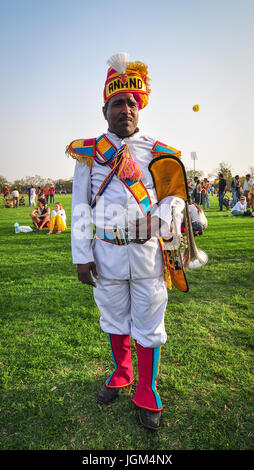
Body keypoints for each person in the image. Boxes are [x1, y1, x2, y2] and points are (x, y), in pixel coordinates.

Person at [66, 53, 188, 431]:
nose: (125, 109)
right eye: (117, 103)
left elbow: (174, 195)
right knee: (113, 317)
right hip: (105, 254)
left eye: (131, 103)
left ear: (140, 108)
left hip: (148, 253)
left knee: (150, 321)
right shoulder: (88, 153)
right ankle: (121, 374)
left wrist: (170, 216)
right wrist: (81, 256)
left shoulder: (159, 151)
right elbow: (80, 207)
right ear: (105, 109)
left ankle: (147, 393)